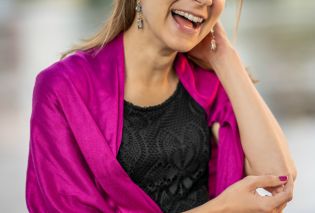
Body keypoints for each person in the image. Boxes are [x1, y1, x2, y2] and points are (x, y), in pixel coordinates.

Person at [25, 0, 297, 212]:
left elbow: (278, 181)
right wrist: (221, 209)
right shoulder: (62, 89)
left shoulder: (210, 84)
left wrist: (223, 56)